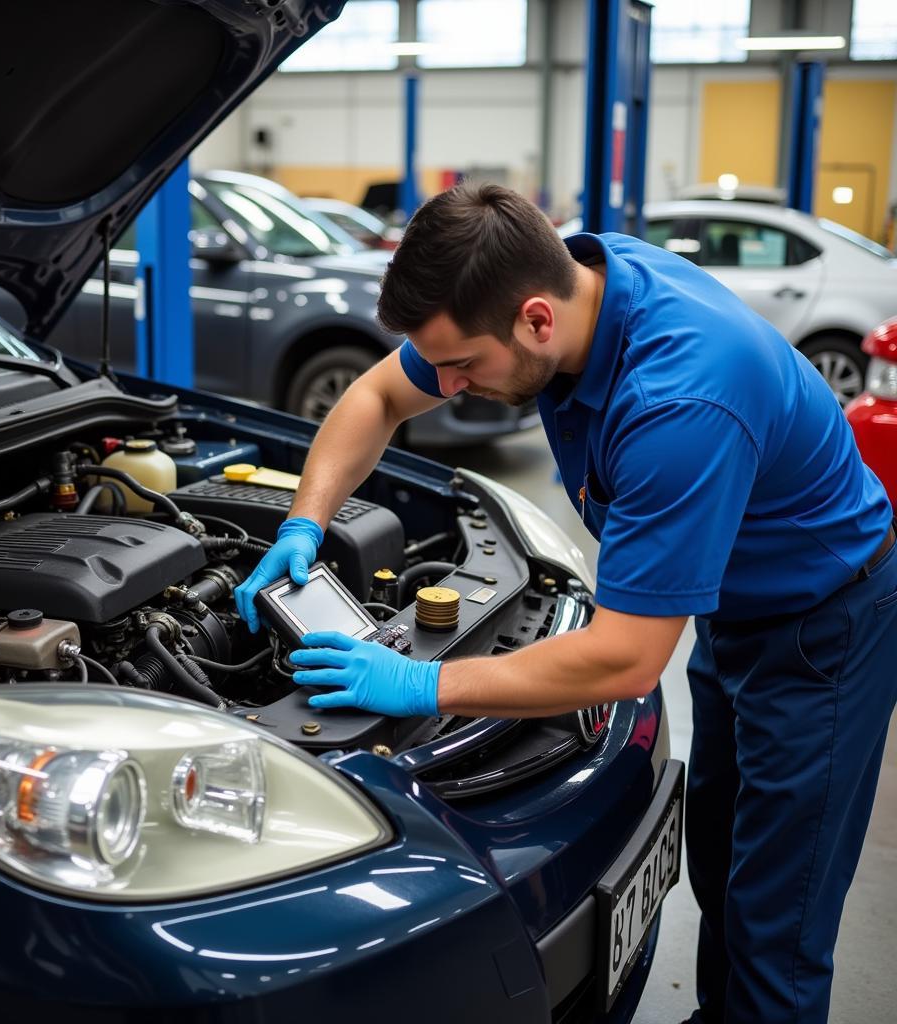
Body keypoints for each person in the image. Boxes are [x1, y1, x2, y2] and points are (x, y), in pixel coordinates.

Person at [234, 183, 897, 1024]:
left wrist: (419, 685)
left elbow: (625, 658)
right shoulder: (576, 276)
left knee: (781, 921)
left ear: (537, 321)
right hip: (736, 609)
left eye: (465, 365)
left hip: (824, 631)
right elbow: (375, 398)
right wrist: (304, 522)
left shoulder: (679, 402)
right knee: (726, 860)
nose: (448, 385)